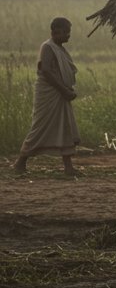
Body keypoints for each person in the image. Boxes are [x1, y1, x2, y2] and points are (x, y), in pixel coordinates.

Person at [11, 17, 81, 177]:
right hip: (49, 94)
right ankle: (20, 162)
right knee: (39, 128)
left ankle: (68, 167)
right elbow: (47, 71)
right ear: (56, 32)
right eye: (66, 32)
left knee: (65, 128)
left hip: (61, 94)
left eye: (69, 32)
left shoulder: (60, 48)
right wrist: (64, 90)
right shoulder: (48, 47)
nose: (69, 35)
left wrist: (66, 90)